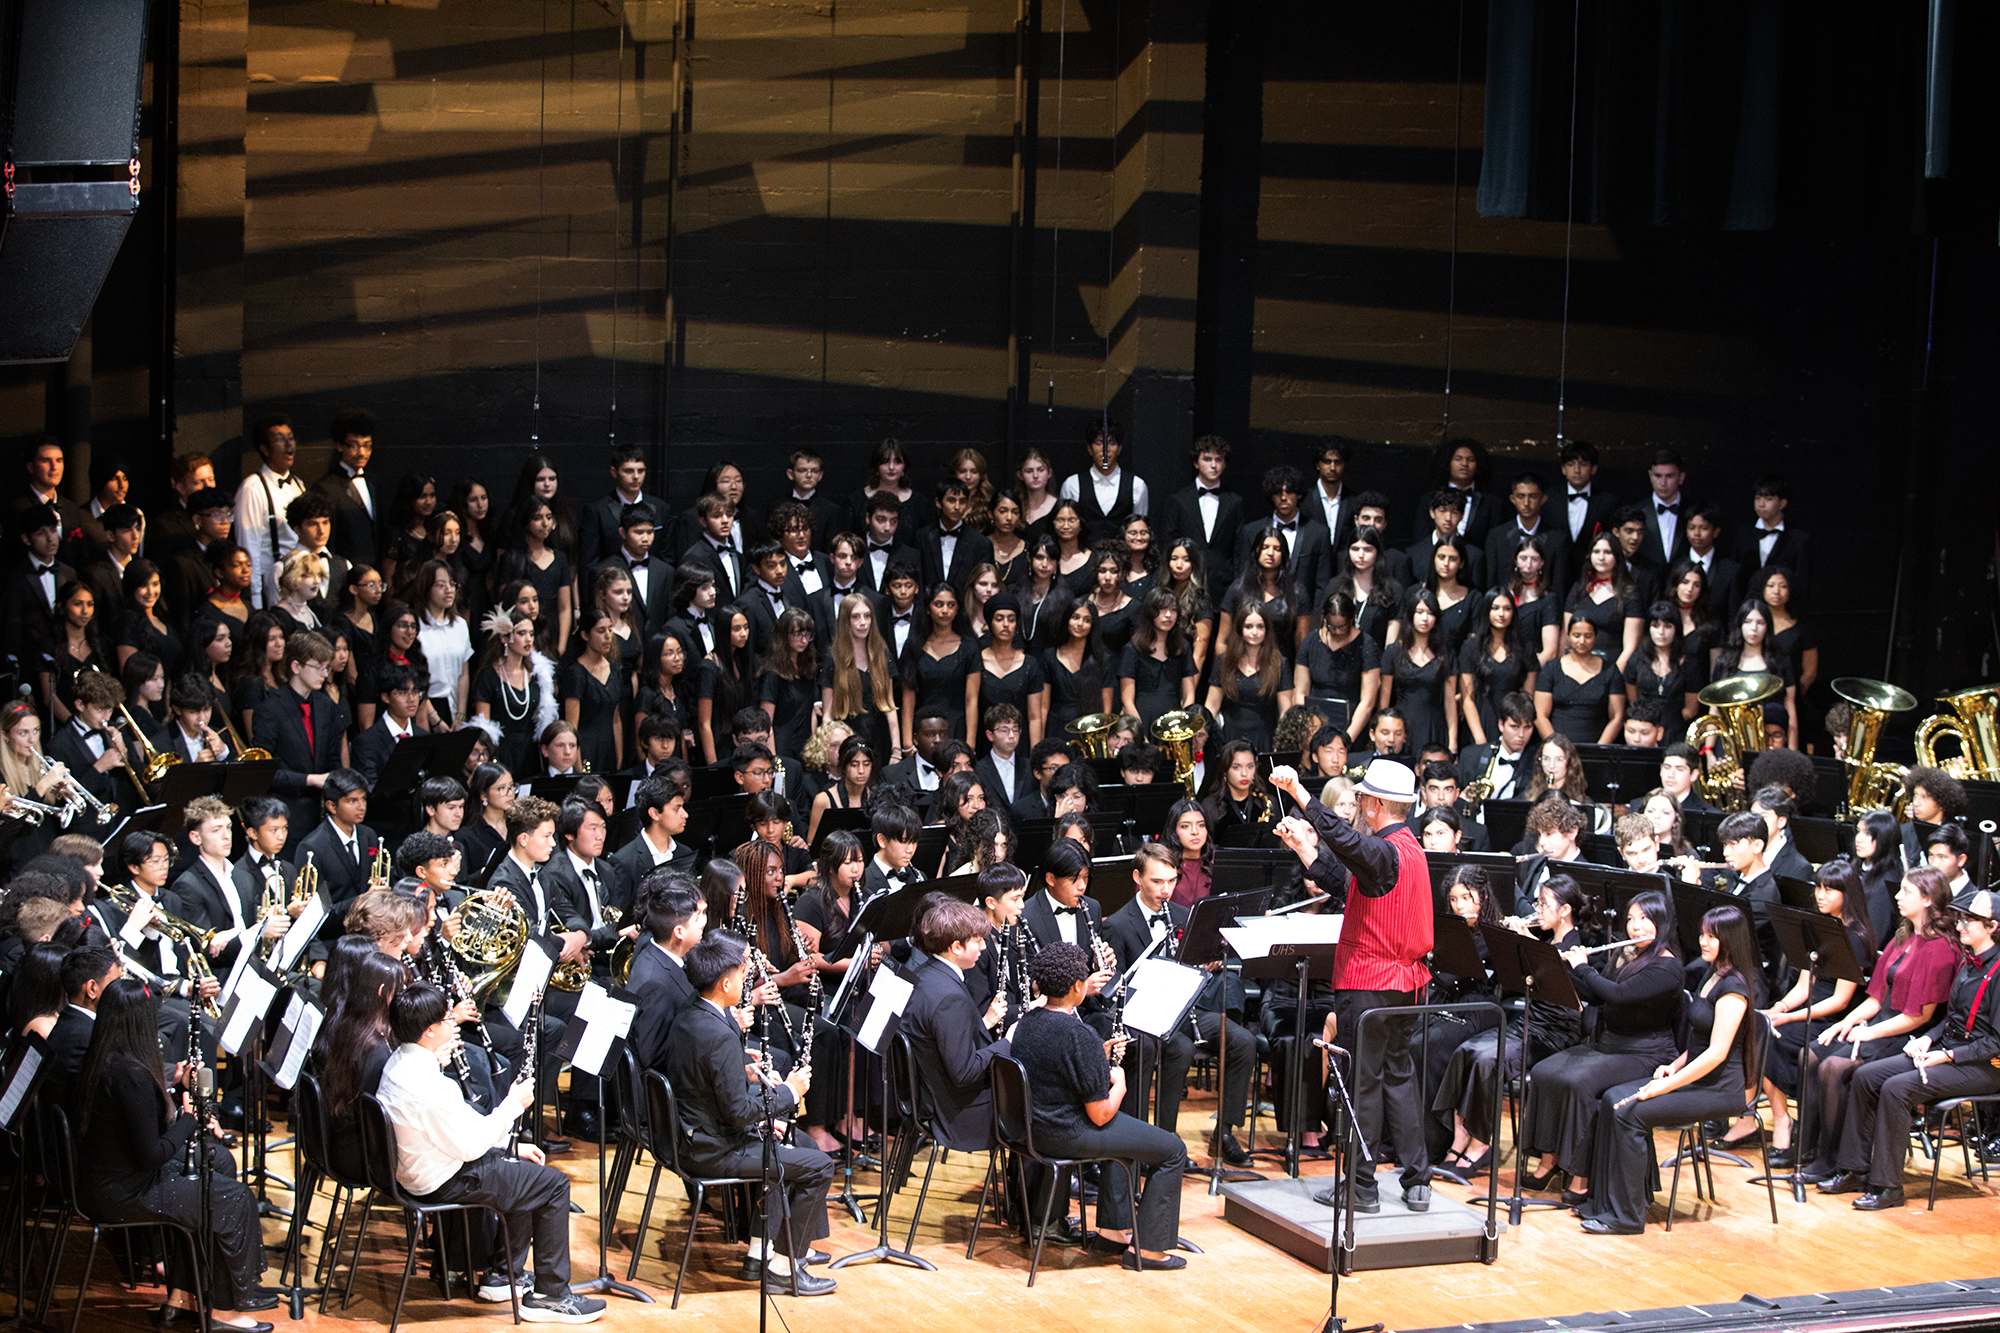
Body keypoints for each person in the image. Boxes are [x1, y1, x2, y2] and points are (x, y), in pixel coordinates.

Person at [375, 982, 605, 1322]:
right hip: (444, 1178)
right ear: (428, 1032)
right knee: (553, 1185)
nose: (452, 1022)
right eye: (445, 1019)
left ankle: (501, 1275)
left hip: (427, 1166)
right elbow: (469, 1146)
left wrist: (510, 1145)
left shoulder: (401, 1061)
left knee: (523, 1168)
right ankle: (550, 1295)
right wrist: (512, 1105)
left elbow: (460, 1127)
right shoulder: (428, 1085)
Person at [1267, 759, 1433, 1213]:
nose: (1357, 807)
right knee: (1398, 1076)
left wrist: (1300, 793)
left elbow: (1343, 839)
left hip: (1370, 980)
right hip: (1406, 983)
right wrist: (1305, 849)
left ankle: (1361, 1187)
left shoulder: (1383, 850)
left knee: (1364, 1083)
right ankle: (1418, 1181)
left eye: (1361, 799)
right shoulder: (1407, 848)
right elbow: (1347, 884)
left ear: (1376, 803)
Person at [72, 978, 273, 1329]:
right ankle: (225, 1311)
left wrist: (180, 1110)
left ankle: (181, 1296)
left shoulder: (103, 1057)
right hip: (123, 1192)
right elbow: (152, 1154)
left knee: (219, 1161)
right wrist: (189, 1117)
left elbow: (135, 1132)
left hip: (105, 1179)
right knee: (233, 1198)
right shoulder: (132, 1075)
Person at [665, 931, 838, 1295]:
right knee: (819, 1166)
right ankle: (784, 1266)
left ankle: (760, 1255)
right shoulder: (719, 1033)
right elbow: (740, 1112)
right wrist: (790, 1091)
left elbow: (706, 1078)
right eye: (743, 977)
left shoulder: (688, 1015)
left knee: (784, 1144)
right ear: (725, 983)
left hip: (694, 1135)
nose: (746, 983)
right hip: (714, 1150)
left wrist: (741, 1072)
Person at [1576, 903, 1757, 1235]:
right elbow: (1699, 1042)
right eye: (1702, 934)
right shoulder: (1711, 974)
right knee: (1612, 1098)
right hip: (1696, 1077)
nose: (1703, 942)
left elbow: (1717, 1054)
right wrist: (1673, 1065)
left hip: (1718, 1090)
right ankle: (1606, 1202)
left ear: (1730, 940)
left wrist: (1666, 1086)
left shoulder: (1734, 989)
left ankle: (1627, 1217)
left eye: (1712, 937)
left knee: (1629, 1112)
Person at [1010, 941, 1189, 1269]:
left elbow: (1054, 1067)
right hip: (1066, 1133)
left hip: (1030, 1129)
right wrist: (1119, 1084)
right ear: (1079, 987)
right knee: (1173, 1150)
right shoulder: (1079, 1034)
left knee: (1128, 1145)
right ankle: (1148, 1251)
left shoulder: (1028, 1022)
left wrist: (1097, 1057)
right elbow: (1101, 1113)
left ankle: (1113, 1232)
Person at [1818, 889, 2000, 1211]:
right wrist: (1928, 1040)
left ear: (1993, 927)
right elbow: (1950, 1020)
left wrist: (1947, 1055)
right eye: (1961, 918)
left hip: (1984, 1066)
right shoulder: (1967, 962)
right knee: (1866, 1076)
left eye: (1970, 920)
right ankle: (1854, 1169)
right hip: (1948, 1051)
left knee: (1896, 1088)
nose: (1960, 925)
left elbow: (1995, 1043)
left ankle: (1888, 1186)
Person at [1796, 868, 1959, 1188]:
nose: (1896, 896)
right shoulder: (1903, 937)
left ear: (1927, 900)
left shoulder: (1940, 948)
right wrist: (1846, 1023)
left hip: (1908, 1034)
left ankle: (1834, 1159)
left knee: (1833, 1067)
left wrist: (1868, 1032)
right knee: (1811, 1055)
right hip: (1883, 1023)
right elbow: (1876, 997)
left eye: (1906, 892)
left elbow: (1920, 1017)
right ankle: (1810, 1148)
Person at [1516, 892, 1684, 1203]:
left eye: (1644, 919)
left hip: (1645, 1053)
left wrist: (1583, 967)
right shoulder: (1628, 955)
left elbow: (1618, 995)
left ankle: (1582, 1176)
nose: (1635, 927)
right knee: (1545, 1071)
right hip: (1610, 1046)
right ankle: (1549, 1159)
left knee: (1579, 1082)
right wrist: (1562, 967)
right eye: (1631, 919)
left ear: (1662, 923)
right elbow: (1595, 996)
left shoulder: (1667, 968)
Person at [1099, 844, 1258, 1164]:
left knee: (1243, 1041)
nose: (1166, 889)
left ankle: (1224, 1132)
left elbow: (1197, 965)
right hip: (1143, 1015)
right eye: (1157, 881)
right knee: (1181, 1049)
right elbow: (1114, 986)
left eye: (1171, 881)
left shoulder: (1185, 916)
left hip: (1188, 1010)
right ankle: (1161, 1142)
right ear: (1137, 877)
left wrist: (1205, 964)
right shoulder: (1117, 923)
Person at [902, 896, 1012, 1158]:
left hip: (933, 1096)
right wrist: (1007, 1042)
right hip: (961, 1113)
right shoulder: (950, 997)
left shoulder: (924, 974)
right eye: (978, 941)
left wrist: (984, 1024)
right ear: (955, 947)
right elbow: (964, 1073)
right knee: (1040, 1103)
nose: (984, 947)